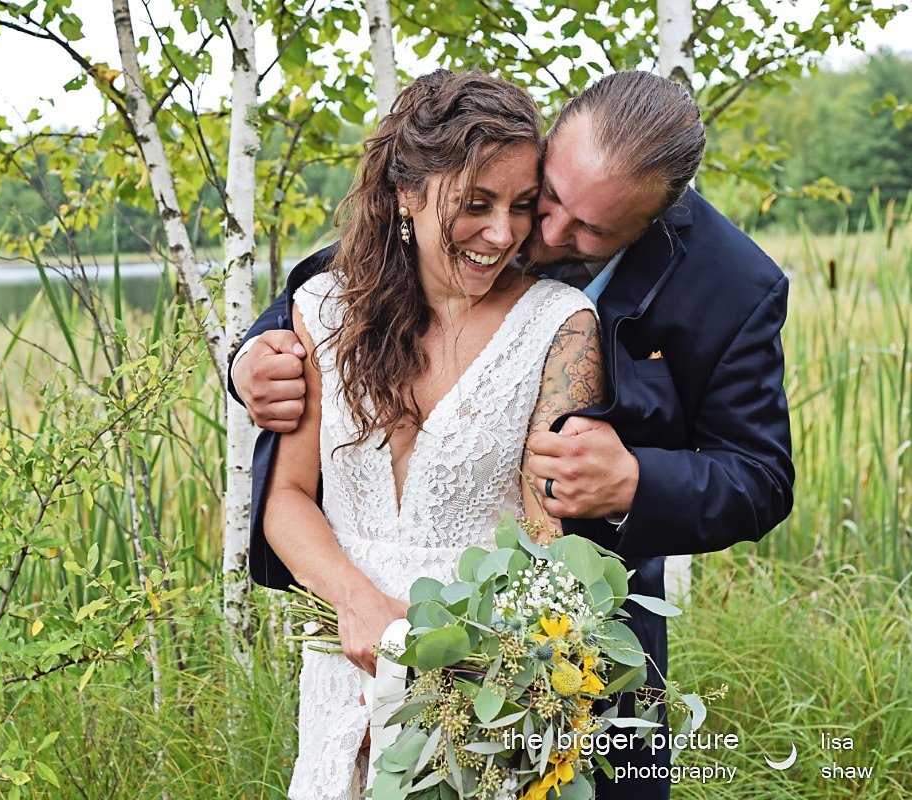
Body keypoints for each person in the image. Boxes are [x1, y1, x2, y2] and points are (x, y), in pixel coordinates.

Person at [235, 70, 795, 800]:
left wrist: (636, 482)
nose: (541, 236)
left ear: (660, 214)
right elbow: (344, 280)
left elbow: (761, 479)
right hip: (356, 644)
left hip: (568, 639)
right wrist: (248, 359)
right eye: (548, 199)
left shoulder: (734, 288)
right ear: (551, 145)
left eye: (592, 230)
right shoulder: (496, 178)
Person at [262, 70, 603, 799]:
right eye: (475, 204)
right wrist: (354, 600)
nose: (503, 234)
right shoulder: (324, 309)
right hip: (342, 656)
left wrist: (494, 672)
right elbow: (285, 497)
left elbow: (546, 537)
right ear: (405, 194)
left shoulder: (561, 325)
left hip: (482, 676)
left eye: (520, 205)